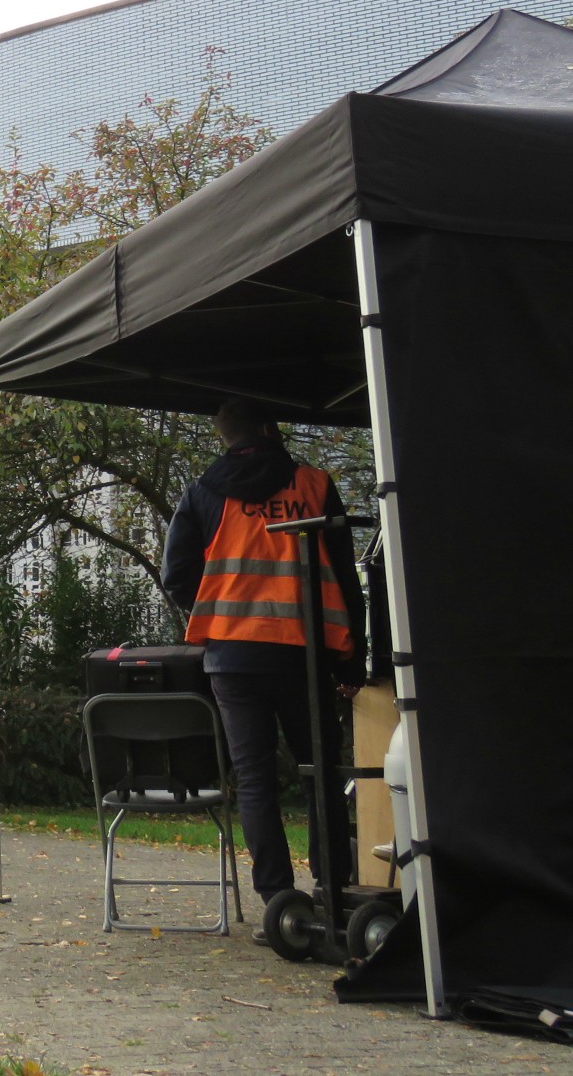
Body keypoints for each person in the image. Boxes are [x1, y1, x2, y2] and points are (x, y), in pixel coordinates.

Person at [159, 397, 364, 934]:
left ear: (223, 438)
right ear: (272, 430)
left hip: (233, 657)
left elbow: (176, 574)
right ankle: (334, 887)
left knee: (254, 780)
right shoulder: (314, 486)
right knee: (319, 770)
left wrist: (215, 609)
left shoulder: (203, 492)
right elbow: (344, 576)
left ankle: (278, 898)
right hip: (306, 653)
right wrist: (352, 659)